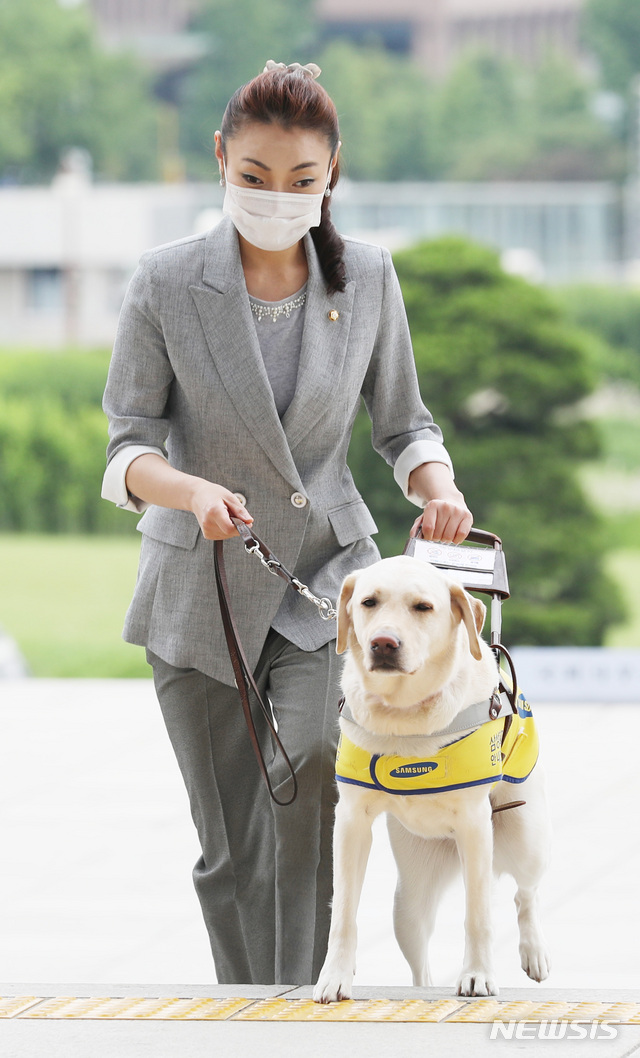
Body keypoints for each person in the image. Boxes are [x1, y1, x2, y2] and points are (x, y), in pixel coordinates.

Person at [101, 59, 472, 986]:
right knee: (229, 844)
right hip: (200, 596)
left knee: (310, 769)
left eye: (302, 182)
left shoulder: (370, 279)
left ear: (332, 175)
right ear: (223, 158)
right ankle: (249, 1015)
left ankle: (308, 1009)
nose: (277, 197)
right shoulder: (165, 282)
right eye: (256, 178)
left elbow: (404, 423)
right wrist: (190, 492)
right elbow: (126, 447)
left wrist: (434, 484)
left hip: (327, 586)